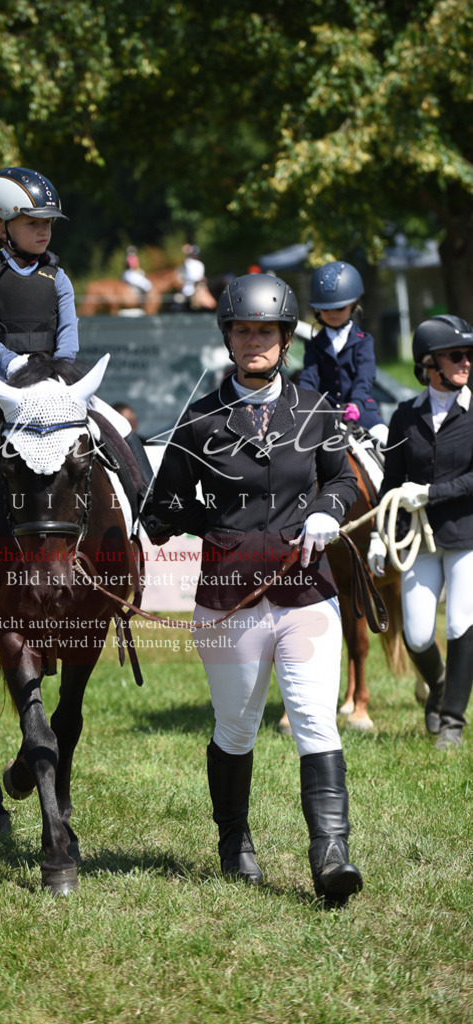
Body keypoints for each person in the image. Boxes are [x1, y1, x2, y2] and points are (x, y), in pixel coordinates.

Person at [152, 273, 363, 904]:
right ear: (228, 337)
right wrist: (204, 521)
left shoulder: (318, 409)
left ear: (285, 338)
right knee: (236, 727)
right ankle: (233, 841)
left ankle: (331, 857)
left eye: (264, 332)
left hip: (306, 594)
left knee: (313, 720)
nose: (253, 341)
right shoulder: (199, 421)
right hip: (229, 599)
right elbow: (162, 509)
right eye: (243, 330)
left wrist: (328, 508)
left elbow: (344, 483)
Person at [0, 167, 159, 557]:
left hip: (56, 382)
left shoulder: (59, 276)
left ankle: (151, 506)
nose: (44, 231)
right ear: (0, 227)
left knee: (118, 426)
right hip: (0, 380)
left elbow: (68, 331)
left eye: (48, 223)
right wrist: (10, 365)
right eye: (32, 222)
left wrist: (61, 371)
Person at [368, 315, 473, 749]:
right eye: (456, 356)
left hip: (466, 533)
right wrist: (378, 531)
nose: (465, 362)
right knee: (415, 634)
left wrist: (430, 492)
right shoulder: (405, 416)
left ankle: (451, 718)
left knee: (462, 623)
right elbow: (391, 482)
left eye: (468, 355)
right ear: (429, 364)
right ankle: (442, 684)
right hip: (419, 538)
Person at [298, 261, 388, 446]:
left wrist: (355, 403)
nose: (332, 314)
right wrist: (304, 403)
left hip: (361, 410)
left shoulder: (364, 341)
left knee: (387, 440)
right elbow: (309, 378)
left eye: (339, 308)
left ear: (354, 303)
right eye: (325, 309)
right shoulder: (314, 345)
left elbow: (365, 377)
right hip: (327, 414)